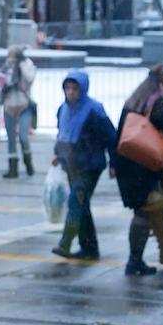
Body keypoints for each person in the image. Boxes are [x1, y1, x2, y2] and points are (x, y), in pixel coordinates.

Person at [113, 64, 163, 277]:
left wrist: (115, 164)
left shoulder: (133, 102)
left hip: (129, 164)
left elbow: (120, 133)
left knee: (154, 206)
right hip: (146, 165)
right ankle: (134, 261)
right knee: (144, 211)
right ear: (162, 84)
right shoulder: (157, 103)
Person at [50, 71, 116, 262]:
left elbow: (111, 137)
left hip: (89, 166)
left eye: (74, 88)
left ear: (83, 89)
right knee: (82, 205)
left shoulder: (94, 110)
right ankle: (90, 248)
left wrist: (114, 163)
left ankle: (65, 243)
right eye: (67, 88)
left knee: (75, 203)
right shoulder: (63, 109)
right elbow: (62, 134)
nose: (70, 92)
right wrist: (57, 153)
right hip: (71, 165)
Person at [0, 45, 37, 178]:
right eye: (10, 56)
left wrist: (20, 66)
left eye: (14, 56)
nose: (11, 59)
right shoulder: (6, 67)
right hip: (9, 106)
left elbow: (30, 79)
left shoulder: (27, 65)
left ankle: (28, 163)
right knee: (11, 139)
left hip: (24, 105)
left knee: (23, 137)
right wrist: (4, 87)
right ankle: (12, 169)